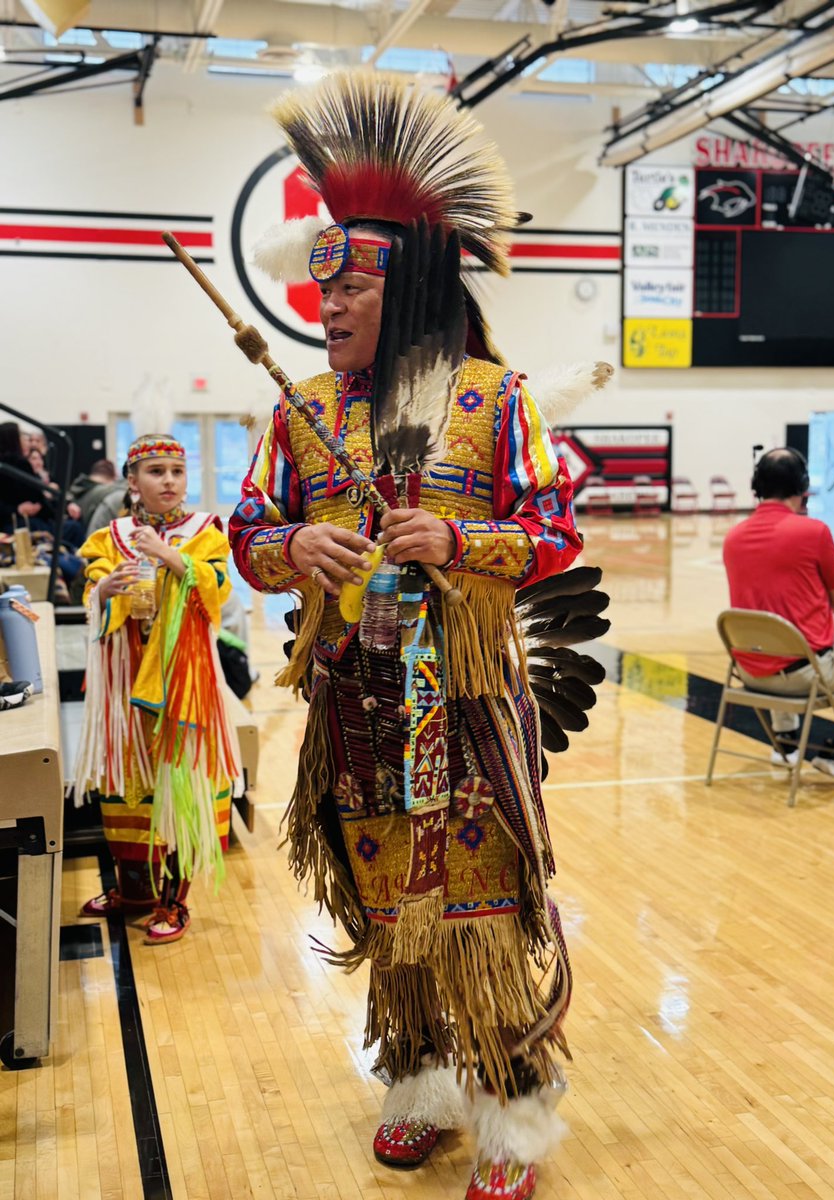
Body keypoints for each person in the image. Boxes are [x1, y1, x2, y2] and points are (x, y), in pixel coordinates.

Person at [229, 73, 581, 1200]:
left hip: (462, 709)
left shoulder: (494, 397)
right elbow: (247, 531)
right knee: (392, 916)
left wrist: (459, 538)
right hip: (354, 706)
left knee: (480, 917)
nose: (326, 307)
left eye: (351, 287)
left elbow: (555, 531)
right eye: (321, 288)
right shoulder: (302, 411)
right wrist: (295, 546)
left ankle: (515, 1111)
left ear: (409, 286)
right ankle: (421, 1083)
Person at [74, 432, 242, 943]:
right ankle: (133, 892)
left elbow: (218, 590)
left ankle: (175, 900)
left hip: (184, 683)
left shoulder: (205, 530)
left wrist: (171, 558)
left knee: (182, 784)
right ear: (132, 481)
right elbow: (92, 587)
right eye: (155, 471)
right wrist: (104, 591)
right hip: (126, 685)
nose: (168, 481)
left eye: (176, 471)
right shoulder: (113, 534)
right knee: (129, 786)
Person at [723, 447, 834, 786]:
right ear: (802, 486)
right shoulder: (813, 532)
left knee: (776, 635)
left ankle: (785, 740)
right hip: (805, 673)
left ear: (756, 485)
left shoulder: (733, 537)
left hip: (750, 670)